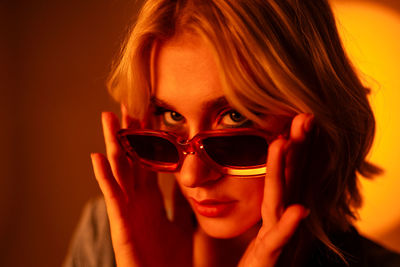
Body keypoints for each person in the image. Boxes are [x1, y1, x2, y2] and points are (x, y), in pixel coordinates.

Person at [64, 0, 400, 266]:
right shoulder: (108, 236)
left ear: (311, 115)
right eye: (171, 115)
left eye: (235, 116)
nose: (192, 176)